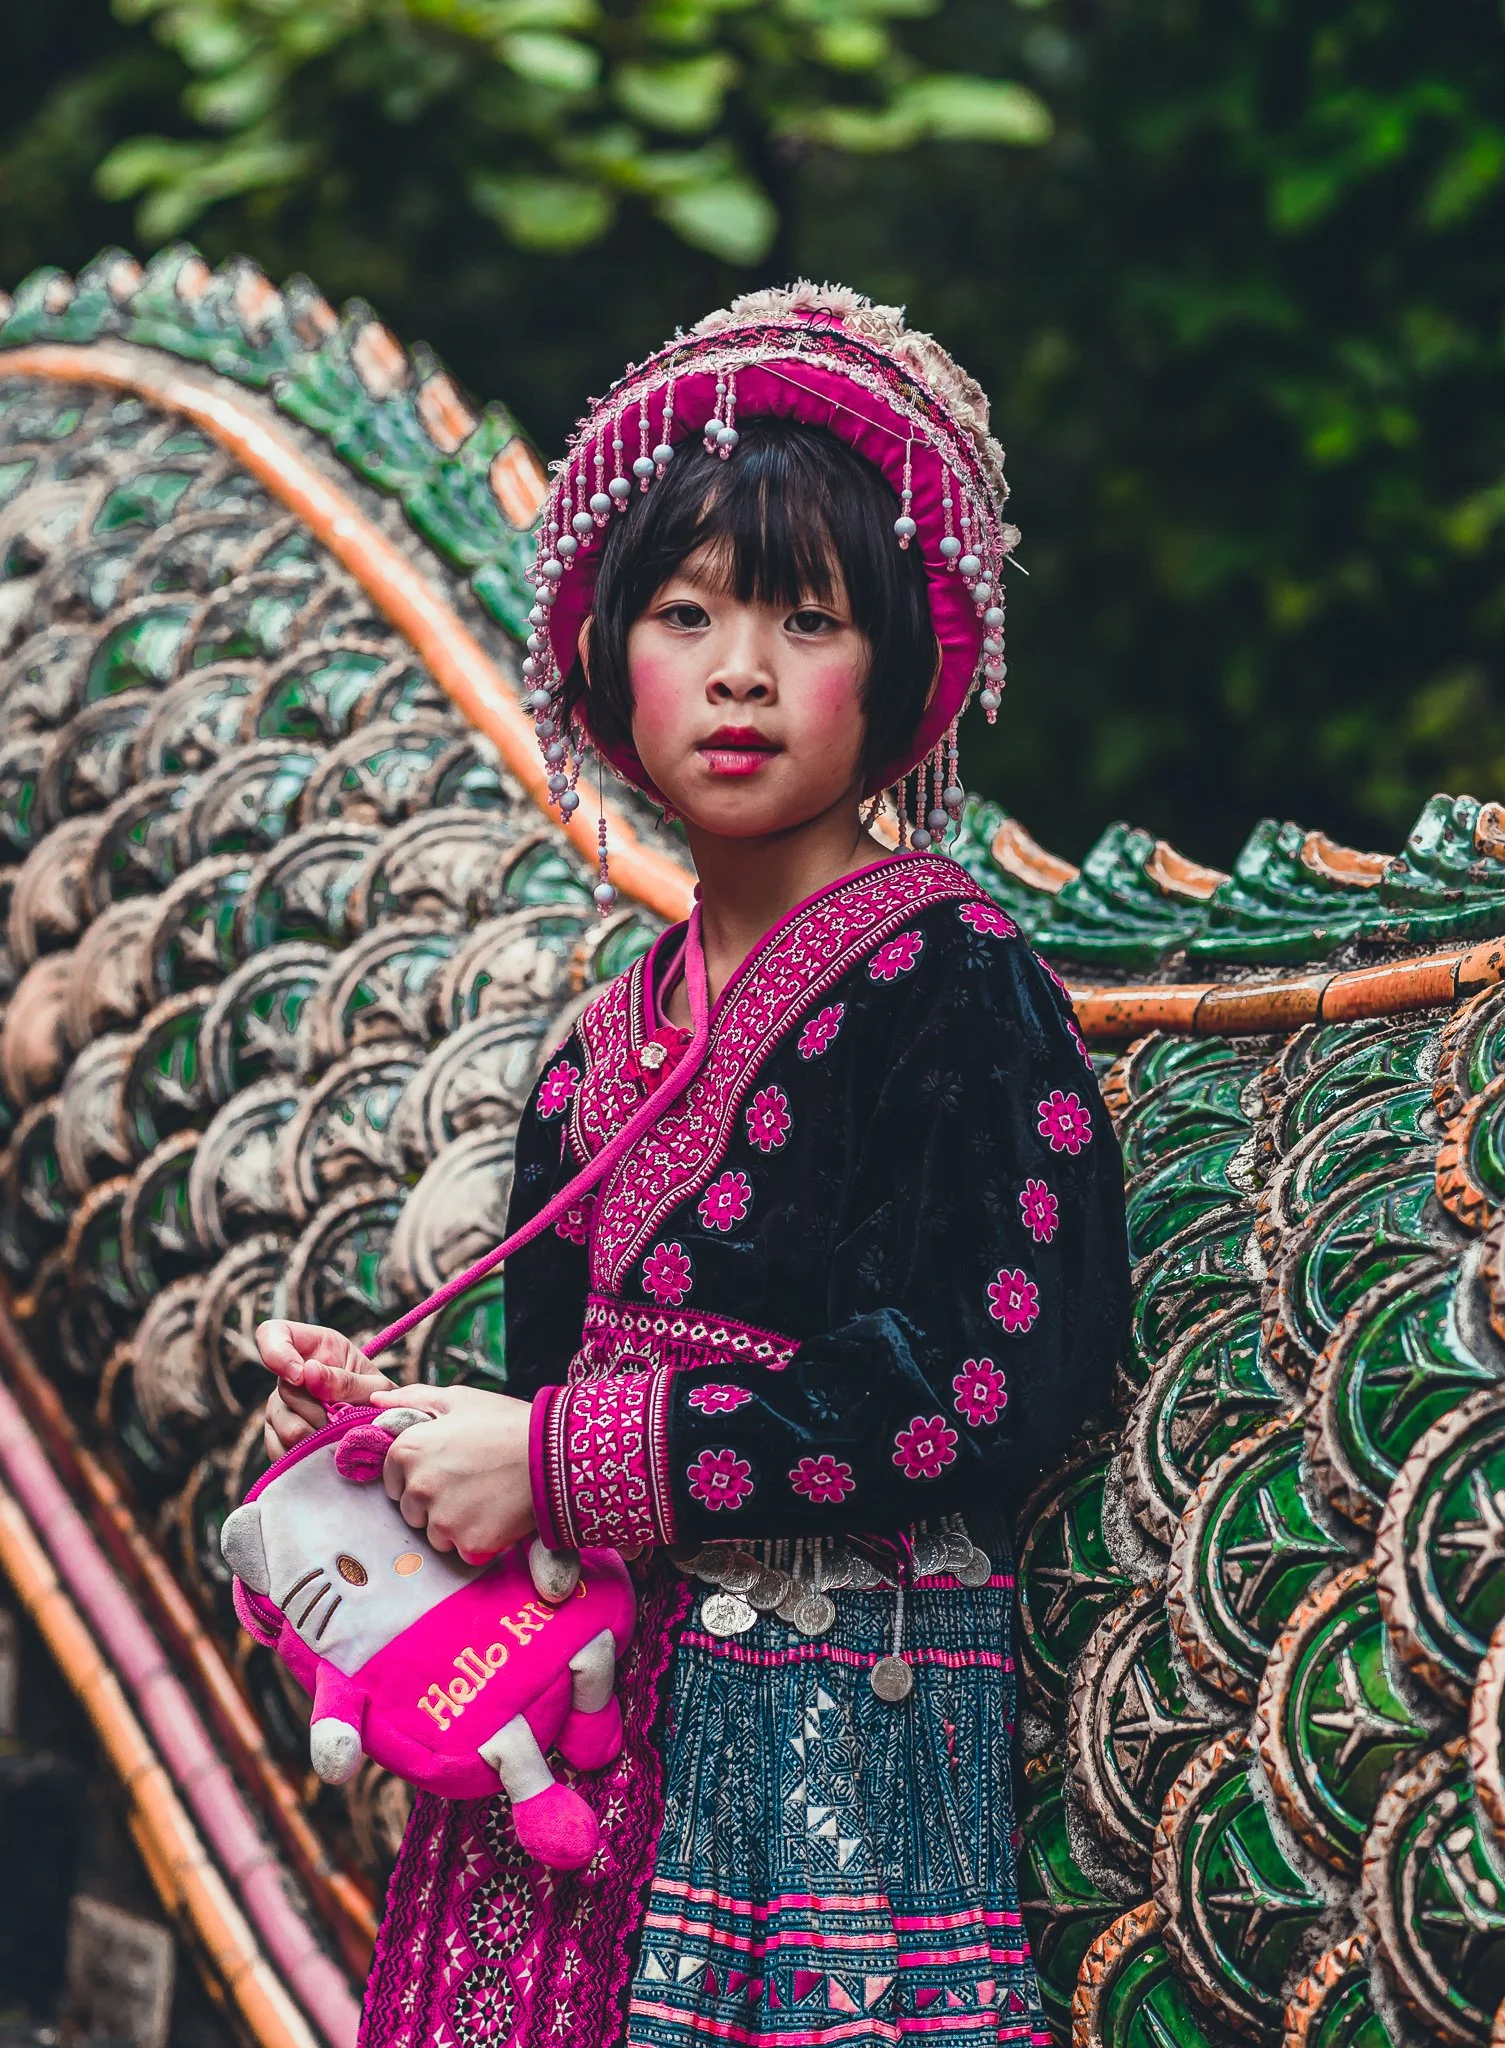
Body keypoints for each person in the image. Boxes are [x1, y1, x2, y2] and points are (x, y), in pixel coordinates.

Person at [257, 284, 1130, 2048]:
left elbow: (991, 1376)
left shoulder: (956, 986)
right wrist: (413, 1437)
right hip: (568, 1753)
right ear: (609, 662)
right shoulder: (598, 1043)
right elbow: (542, 1410)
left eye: (806, 620)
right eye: (686, 612)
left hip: (815, 1783)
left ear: (896, 666)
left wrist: (564, 1456)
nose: (740, 671)